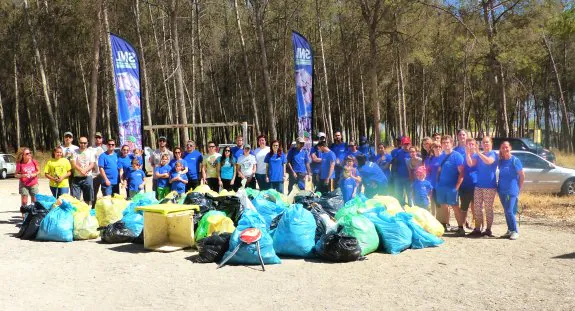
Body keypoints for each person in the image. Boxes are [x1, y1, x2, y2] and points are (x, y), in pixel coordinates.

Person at [466, 135, 498, 237]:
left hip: (490, 186)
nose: (485, 144)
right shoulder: (478, 155)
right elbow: (471, 164)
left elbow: (489, 161)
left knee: (488, 208)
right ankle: (477, 229)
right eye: (483, 142)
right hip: (478, 186)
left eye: (487, 142)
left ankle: (488, 230)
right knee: (477, 208)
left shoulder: (493, 154)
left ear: (491, 144)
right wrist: (467, 154)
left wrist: (478, 152)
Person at [436, 135, 465, 236]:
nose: (446, 144)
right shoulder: (441, 156)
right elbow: (439, 170)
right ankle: (445, 225)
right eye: (444, 143)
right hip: (442, 186)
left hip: (452, 187)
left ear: (452, 143)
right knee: (444, 206)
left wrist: (456, 187)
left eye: (448, 142)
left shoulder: (457, 156)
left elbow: (462, 173)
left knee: (455, 207)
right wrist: (438, 184)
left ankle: (461, 228)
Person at [497, 141, 524, 240]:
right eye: (503, 147)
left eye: (506, 147)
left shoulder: (515, 160)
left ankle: (515, 231)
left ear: (510, 148)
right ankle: (509, 230)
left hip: (511, 191)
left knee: (509, 211)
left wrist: (518, 190)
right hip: (501, 190)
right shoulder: (501, 161)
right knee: (506, 211)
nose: (505, 149)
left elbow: (522, 175)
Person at [454, 129, 477, 229]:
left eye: (464, 135)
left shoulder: (473, 150)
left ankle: (474, 223)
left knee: (474, 204)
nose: (462, 136)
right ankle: (463, 223)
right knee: (463, 204)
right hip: (461, 181)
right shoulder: (455, 150)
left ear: (466, 136)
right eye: (460, 135)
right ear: (457, 137)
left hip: (474, 181)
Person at [15, 147, 39, 216]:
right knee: (24, 201)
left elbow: (38, 170)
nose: (29, 154)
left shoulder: (33, 161)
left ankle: (33, 215)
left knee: (34, 201)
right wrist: (23, 175)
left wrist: (34, 174)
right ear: (23, 155)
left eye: (30, 153)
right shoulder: (20, 163)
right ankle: (24, 218)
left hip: (33, 183)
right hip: (24, 184)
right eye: (27, 153)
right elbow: (16, 174)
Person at [71, 137, 95, 205]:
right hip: (77, 177)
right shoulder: (74, 152)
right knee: (75, 198)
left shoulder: (90, 152)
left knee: (88, 198)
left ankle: (86, 211)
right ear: (79, 143)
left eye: (85, 143)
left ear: (87, 143)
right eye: (81, 143)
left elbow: (92, 164)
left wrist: (85, 170)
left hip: (87, 177)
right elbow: (73, 163)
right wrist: (81, 170)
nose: (83, 144)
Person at [424, 141, 443, 217]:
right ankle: (433, 218)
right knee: (432, 202)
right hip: (432, 184)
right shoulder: (429, 159)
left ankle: (442, 220)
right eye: (435, 146)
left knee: (442, 204)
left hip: (442, 184)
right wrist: (428, 184)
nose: (438, 148)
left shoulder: (445, 157)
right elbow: (427, 172)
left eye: (439, 146)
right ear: (432, 148)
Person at [393, 136, 412, 206]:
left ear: (410, 144)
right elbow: (394, 163)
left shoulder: (412, 152)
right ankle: (401, 207)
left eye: (407, 144)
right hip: (399, 177)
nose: (406, 145)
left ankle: (411, 208)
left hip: (409, 178)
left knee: (410, 195)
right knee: (399, 195)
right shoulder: (398, 152)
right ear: (402, 144)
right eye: (405, 144)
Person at [91, 132, 106, 200]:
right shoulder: (91, 148)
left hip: (104, 174)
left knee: (105, 193)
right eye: (96, 138)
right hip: (95, 175)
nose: (98, 139)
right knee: (94, 192)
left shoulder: (106, 147)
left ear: (102, 139)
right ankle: (93, 208)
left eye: (99, 138)